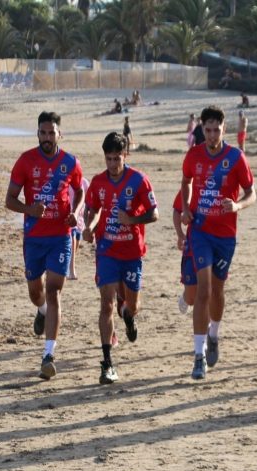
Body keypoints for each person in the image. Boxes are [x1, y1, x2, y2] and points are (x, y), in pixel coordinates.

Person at [5, 111, 84, 380]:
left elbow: (80, 190)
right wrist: (30, 209)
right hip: (34, 238)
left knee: (54, 292)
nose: (47, 137)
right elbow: (10, 199)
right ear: (37, 133)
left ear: (60, 134)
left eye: (52, 133)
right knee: (36, 292)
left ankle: (48, 355)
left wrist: (75, 212)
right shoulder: (26, 161)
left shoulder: (70, 162)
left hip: (60, 237)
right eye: (43, 133)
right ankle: (40, 311)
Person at [180, 105, 256, 379]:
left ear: (224, 129)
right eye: (208, 130)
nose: (212, 135)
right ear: (202, 128)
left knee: (218, 291)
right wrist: (186, 207)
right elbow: (186, 181)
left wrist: (237, 206)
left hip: (225, 235)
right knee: (204, 290)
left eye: (217, 130)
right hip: (200, 231)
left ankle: (214, 334)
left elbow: (252, 193)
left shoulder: (236, 157)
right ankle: (198, 356)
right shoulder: (194, 155)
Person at [84, 132, 158, 384]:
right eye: (109, 159)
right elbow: (93, 209)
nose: (113, 164)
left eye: (117, 158)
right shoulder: (98, 182)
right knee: (106, 304)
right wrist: (90, 226)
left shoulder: (138, 180)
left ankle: (128, 317)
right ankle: (107, 363)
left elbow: (154, 213)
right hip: (106, 250)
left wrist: (132, 219)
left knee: (131, 306)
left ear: (125, 156)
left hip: (132, 252)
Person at [68, 177, 88, 280]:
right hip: (68, 218)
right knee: (71, 240)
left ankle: (67, 267)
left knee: (75, 247)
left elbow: (89, 202)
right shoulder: (64, 181)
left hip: (80, 220)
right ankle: (71, 271)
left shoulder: (84, 182)